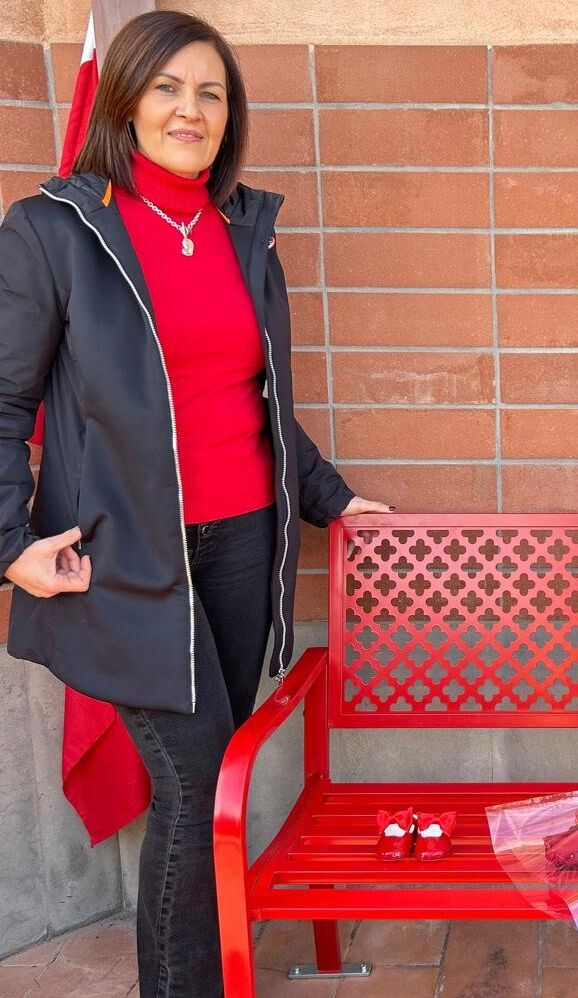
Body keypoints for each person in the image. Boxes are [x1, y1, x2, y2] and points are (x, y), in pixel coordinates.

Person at [0, 11, 389, 996]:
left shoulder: (242, 233)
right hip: (123, 565)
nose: (191, 109)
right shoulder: (54, 228)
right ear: (124, 99)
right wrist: (10, 540)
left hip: (241, 550)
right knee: (192, 788)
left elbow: (253, 408)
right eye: (168, 86)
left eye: (211, 92)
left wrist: (335, 501)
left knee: (210, 781)